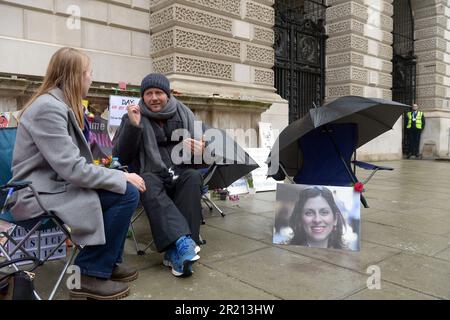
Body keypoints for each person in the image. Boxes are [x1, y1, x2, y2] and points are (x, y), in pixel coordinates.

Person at [10, 47, 146, 300]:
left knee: (123, 190)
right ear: (75, 76)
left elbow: (72, 165)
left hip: (54, 187)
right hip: (37, 195)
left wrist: (114, 175)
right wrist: (120, 177)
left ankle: (107, 263)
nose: (91, 79)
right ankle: (88, 273)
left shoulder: (57, 105)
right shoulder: (48, 109)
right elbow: (72, 168)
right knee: (125, 192)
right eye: (89, 73)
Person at [113, 73, 205, 277]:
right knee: (148, 181)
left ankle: (175, 253)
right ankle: (183, 243)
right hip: (151, 174)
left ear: (168, 94)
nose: (154, 97)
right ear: (143, 96)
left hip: (179, 173)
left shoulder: (185, 114)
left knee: (192, 177)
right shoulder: (132, 115)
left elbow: (201, 162)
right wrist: (133, 126)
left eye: (158, 93)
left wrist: (201, 152)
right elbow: (120, 156)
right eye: (148, 93)